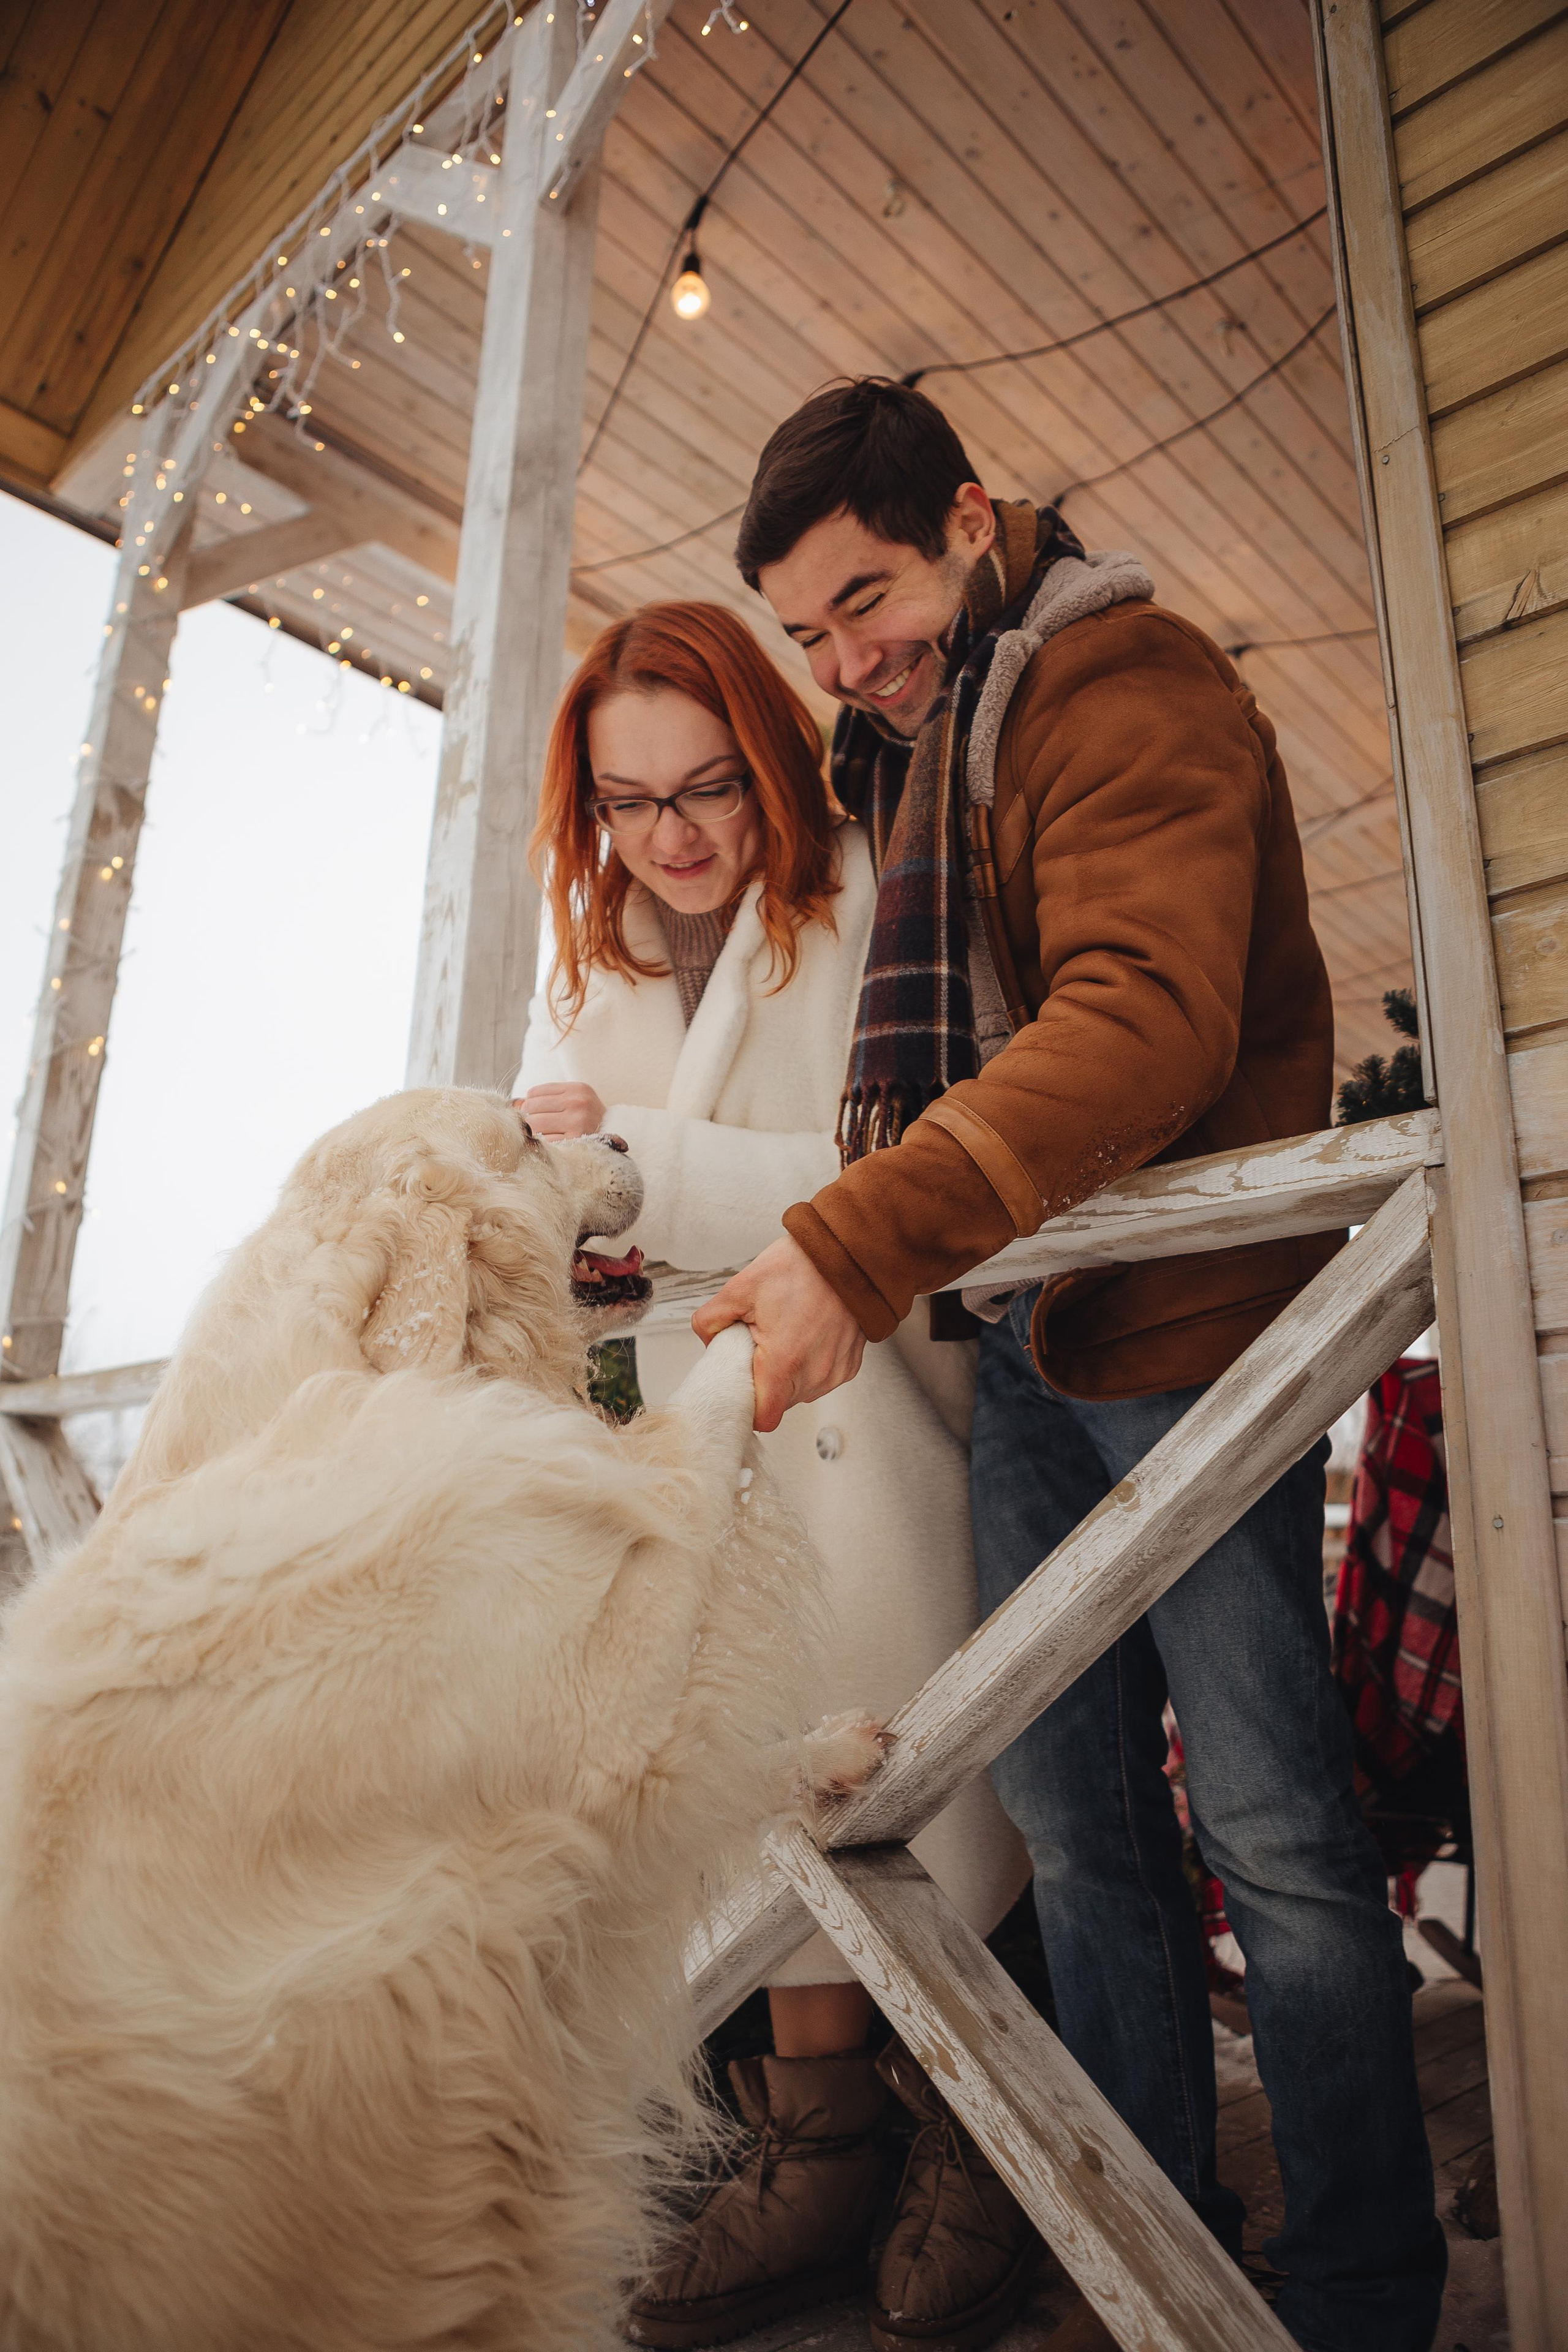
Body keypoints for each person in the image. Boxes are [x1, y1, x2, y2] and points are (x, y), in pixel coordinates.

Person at [695, 380, 1447, 2352]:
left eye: (866, 601)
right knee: (1072, 1822)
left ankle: (1361, 2294)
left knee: (1270, 1828)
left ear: (970, 516)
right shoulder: (911, 751)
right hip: (1033, 1336)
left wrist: (850, 1241)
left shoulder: (1121, 685)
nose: (845, 661)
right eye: (809, 634)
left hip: (1187, 1336)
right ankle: (1145, 2252)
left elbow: (1145, 1022)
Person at [512, 600, 1035, 2352]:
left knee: (923, 1760)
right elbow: (548, 1167)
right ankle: (813, 2151)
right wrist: (551, 1186)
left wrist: (638, 1167)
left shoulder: (867, 897)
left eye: (707, 788)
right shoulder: (581, 955)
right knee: (742, 1775)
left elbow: (892, 1159)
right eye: (628, 800)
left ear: (766, 758)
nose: (669, 835)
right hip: (678, 1431)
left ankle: (976, 2129)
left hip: (860, 1402)